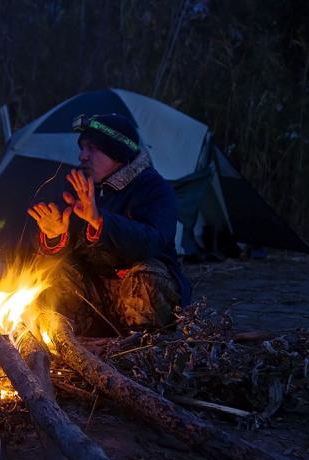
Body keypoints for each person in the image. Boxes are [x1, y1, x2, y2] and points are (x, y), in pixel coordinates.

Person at [27, 113, 190, 334]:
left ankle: (142, 347)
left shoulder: (155, 189)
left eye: (92, 148)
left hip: (138, 297)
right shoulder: (80, 187)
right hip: (96, 297)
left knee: (144, 276)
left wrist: (100, 221)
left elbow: (151, 241)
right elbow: (67, 254)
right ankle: (69, 341)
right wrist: (56, 235)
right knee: (53, 271)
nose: (82, 156)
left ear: (117, 152)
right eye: (82, 147)